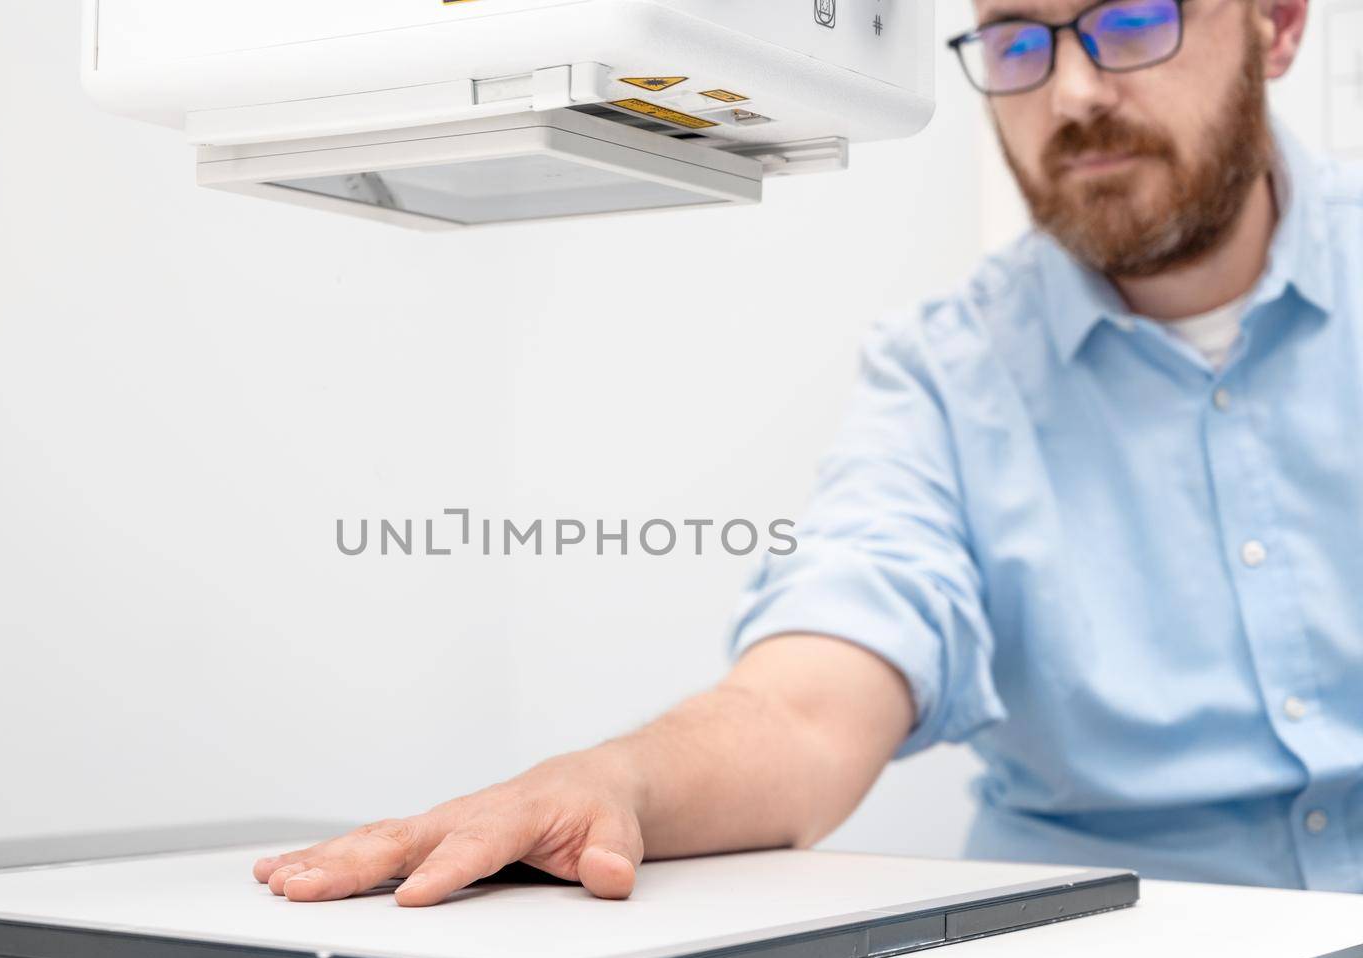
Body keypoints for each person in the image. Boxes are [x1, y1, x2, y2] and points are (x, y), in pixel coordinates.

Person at [256, 0, 1362, 905]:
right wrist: (613, 781)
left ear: (1276, 25)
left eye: (1128, 22)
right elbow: (808, 705)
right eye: (1017, 40)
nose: (1071, 92)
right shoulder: (945, 373)